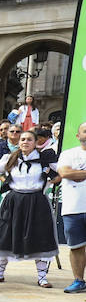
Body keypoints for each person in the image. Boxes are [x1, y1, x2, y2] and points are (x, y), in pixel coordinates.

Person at [0, 129, 59, 287]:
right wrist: (7, 182)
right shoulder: (10, 158)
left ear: (36, 142)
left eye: (29, 139)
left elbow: (60, 173)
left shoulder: (44, 158)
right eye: (22, 139)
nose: (25, 142)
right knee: (5, 235)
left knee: (40, 236)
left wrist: (49, 182)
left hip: (37, 201)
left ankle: (42, 278)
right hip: (14, 200)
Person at [56, 122, 86, 293]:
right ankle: (79, 280)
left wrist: (78, 174)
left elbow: (72, 173)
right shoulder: (68, 154)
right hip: (73, 208)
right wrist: (72, 173)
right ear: (78, 135)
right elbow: (65, 173)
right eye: (85, 131)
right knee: (76, 247)